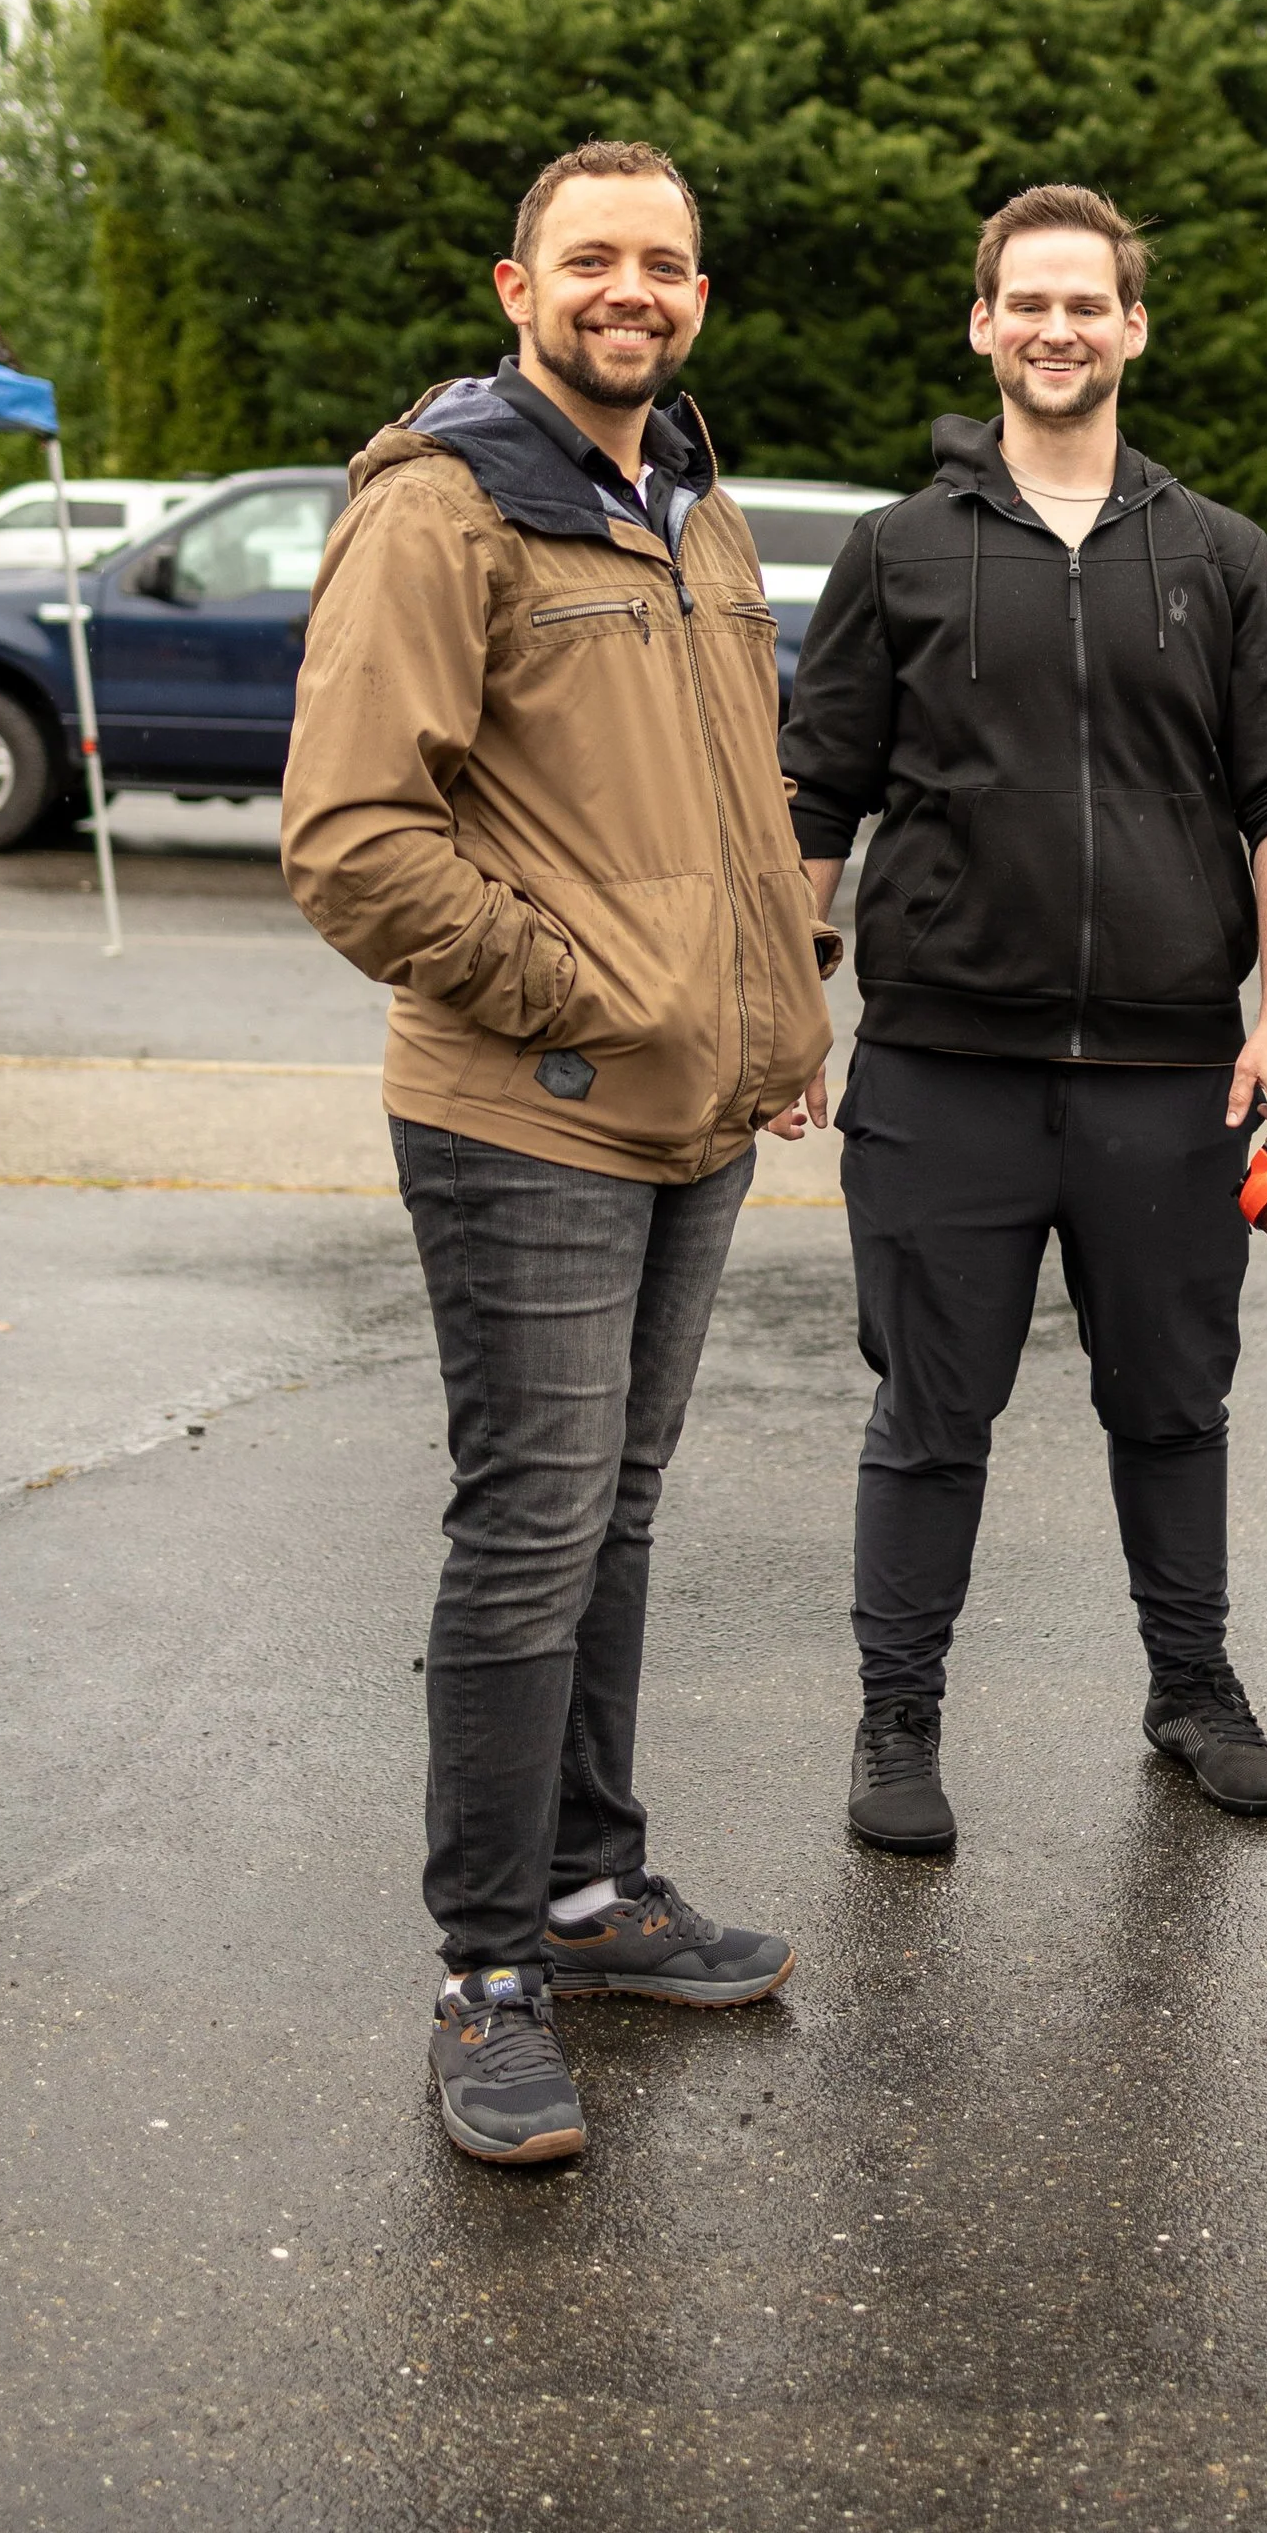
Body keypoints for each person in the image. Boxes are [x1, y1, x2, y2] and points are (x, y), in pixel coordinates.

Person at [281, 138, 833, 2168]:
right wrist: (582, 991)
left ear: (696, 292)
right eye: (590, 258)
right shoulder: (441, 507)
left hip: (699, 1105)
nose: (632, 288)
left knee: (614, 1508)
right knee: (531, 1524)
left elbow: (723, 805)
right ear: (516, 289)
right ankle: (487, 1973)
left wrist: (771, 1014)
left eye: (664, 260)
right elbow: (350, 838)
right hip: (529, 1106)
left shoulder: (693, 498)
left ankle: (592, 1895)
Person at [780, 182, 1267, 1855]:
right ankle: (898, 1720)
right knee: (931, 1410)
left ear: (1132, 329)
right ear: (984, 325)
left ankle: (1192, 1687)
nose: (1056, 327)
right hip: (943, 1066)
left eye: (1085, 303)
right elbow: (819, 791)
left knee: (1173, 1401)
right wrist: (784, 998)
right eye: (1027, 302)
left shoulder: (1221, 558)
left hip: (1171, 1070)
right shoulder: (901, 552)